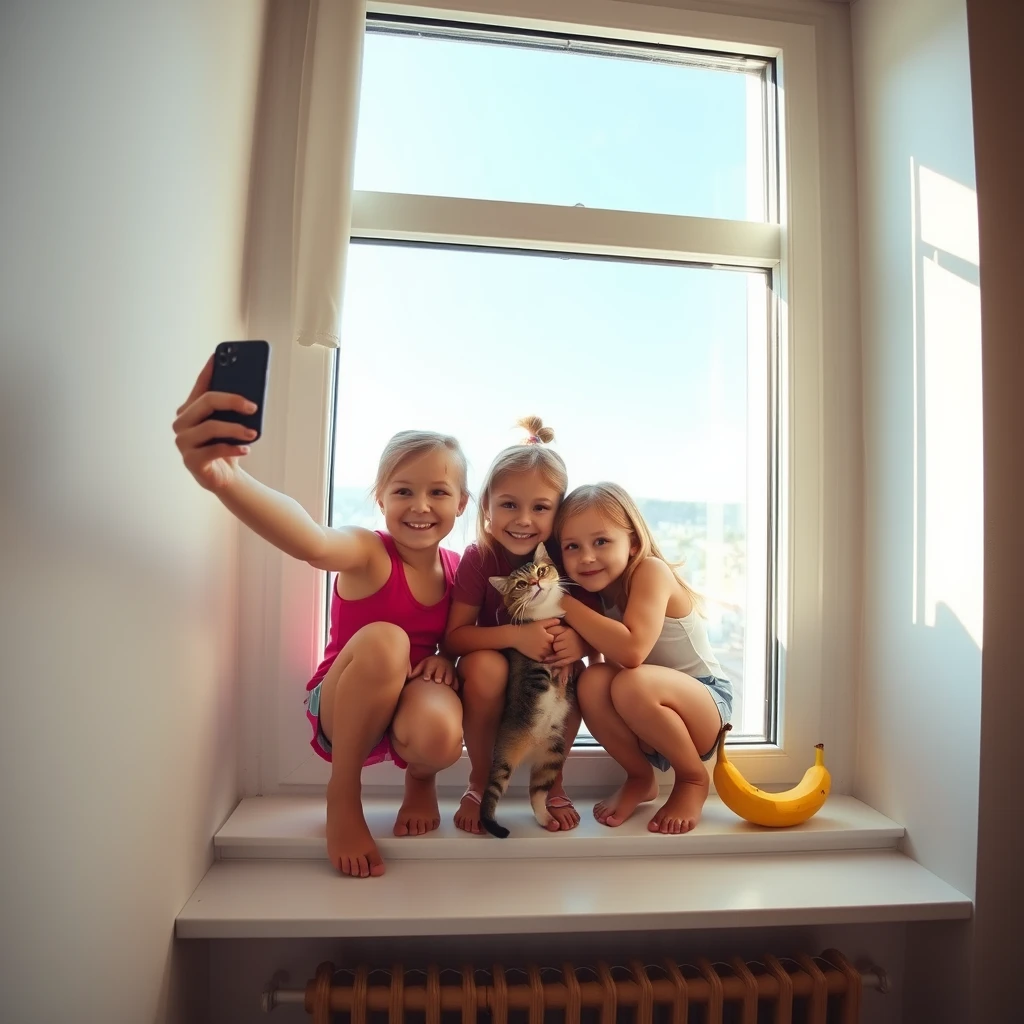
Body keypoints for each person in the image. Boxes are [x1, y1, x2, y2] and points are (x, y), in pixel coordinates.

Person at [173, 357, 469, 877]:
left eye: (438, 492)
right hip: (345, 698)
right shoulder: (367, 551)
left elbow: (470, 633)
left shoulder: (458, 569)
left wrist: (447, 658)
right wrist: (227, 479)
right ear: (380, 499)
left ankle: (419, 781)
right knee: (387, 642)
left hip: (408, 705)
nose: (420, 505)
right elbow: (310, 538)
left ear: (462, 503)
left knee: (442, 732)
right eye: (403, 490)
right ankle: (343, 791)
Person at [554, 482, 733, 834]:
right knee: (592, 681)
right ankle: (639, 777)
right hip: (647, 713)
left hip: (706, 702)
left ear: (633, 542)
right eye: (572, 547)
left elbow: (633, 651)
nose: (586, 557)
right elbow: (605, 660)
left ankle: (693, 779)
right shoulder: (597, 592)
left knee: (630, 680)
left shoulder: (651, 571)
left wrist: (559, 601)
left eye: (601, 541)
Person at [444, 418, 589, 834]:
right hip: (494, 676)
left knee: (574, 673)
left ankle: (551, 781)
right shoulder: (479, 558)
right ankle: (479, 780)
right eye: (509, 504)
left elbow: (595, 631)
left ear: (560, 514)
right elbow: (454, 640)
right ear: (485, 506)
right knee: (486, 667)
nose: (523, 519)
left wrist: (577, 642)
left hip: (547, 675)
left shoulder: (566, 560)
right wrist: (514, 636)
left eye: (541, 507)